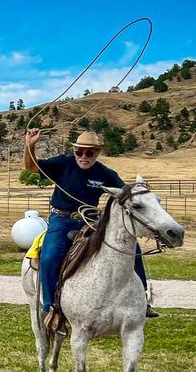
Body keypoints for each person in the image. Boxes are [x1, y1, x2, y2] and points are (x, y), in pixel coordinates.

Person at [23, 128, 158, 320]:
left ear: (97, 152)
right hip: (62, 219)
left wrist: (141, 196)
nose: (83, 156)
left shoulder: (105, 173)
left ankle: (142, 300)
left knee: (132, 249)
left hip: (92, 220)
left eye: (89, 152)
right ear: (75, 151)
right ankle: (49, 304)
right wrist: (30, 145)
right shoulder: (63, 164)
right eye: (80, 151)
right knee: (50, 253)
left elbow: (124, 195)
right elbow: (31, 167)